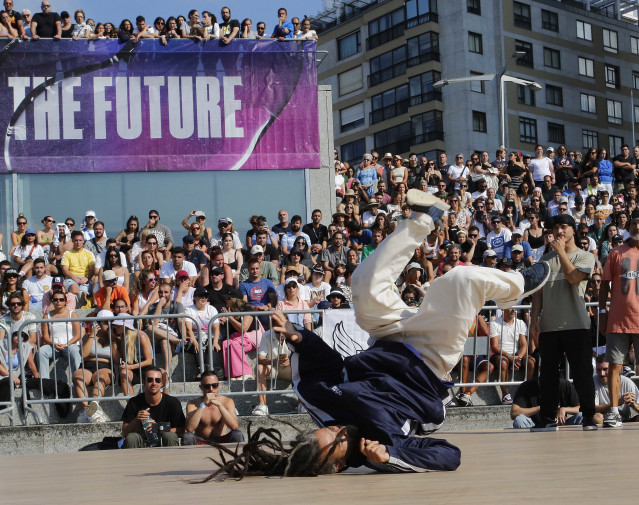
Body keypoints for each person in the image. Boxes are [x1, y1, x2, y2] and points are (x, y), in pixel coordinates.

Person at [219, 190, 550, 477]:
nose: (336, 430)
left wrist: (297, 336)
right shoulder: (384, 442)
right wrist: (393, 457)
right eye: (335, 441)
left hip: (386, 338)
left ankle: (424, 218)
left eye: (327, 430)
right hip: (428, 360)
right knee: (457, 281)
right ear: (336, 465)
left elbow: (327, 362)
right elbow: (451, 455)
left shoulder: (319, 398)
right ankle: (520, 284)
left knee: (363, 284)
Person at [530, 214, 598, 431]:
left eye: (564, 228)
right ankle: (548, 419)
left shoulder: (585, 257)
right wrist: (533, 320)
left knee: (582, 374)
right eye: (556, 228)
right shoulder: (544, 260)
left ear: (573, 230)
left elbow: (573, 278)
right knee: (547, 376)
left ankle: (589, 417)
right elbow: (538, 293)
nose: (559, 232)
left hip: (577, 324)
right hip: (549, 326)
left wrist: (559, 252)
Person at [599, 209, 639, 427]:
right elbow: (604, 284)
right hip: (618, 320)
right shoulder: (615, 253)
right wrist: (603, 312)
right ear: (628, 226)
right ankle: (613, 412)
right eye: (634, 223)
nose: (637, 227)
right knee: (615, 366)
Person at [121, 366, 185, 448]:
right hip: (142, 441)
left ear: (162, 383)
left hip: (163, 439)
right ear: (144, 381)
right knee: (131, 437)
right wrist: (137, 419)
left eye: (158, 380)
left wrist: (159, 428)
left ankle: (171, 460)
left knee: (170, 436)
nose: (154, 383)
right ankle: (133, 461)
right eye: (150, 380)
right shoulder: (134, 402)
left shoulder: (172, 403)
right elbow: (125, 433)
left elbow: (182, 430)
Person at [183, 371, 243, 444]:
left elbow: (234, 426)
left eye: (214, 385)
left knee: (237, 434)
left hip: (221, 440)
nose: (211, 389)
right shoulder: (193, 404)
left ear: (218, 385)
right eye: (207, 386)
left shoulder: (227, 402)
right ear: (201, 387)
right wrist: (203, 404)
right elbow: (190, 428)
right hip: (201, 440)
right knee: (187, 436)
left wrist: (220, 405)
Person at [38, 291, 82, 379]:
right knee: (41, 352)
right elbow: (45, 336)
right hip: (53, 346)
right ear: (52, 301)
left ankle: (77, 381)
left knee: (74, 351)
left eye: (61, 299)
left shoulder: (72, 314)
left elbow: (78, 335)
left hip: (70, 344)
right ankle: (44, 382)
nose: (58, 301)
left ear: (65, 301)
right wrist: (54, 344)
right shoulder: (47, 316)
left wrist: (66, 344)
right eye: (56, 299)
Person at [510, 377, 583, 429]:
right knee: (519, 420)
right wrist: (541, 408)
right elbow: (514, 413)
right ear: (540, 369)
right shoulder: (526, 386)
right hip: (535, 427)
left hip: (561, 425)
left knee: (582, 416)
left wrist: (564, 409)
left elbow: (581, 408)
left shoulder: (565, 385)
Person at [593, 355, 639, 426]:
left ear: (613, 369)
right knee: (596, 417)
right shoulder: (593, 381)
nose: (602, 374)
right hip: (603, 421)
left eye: (605, 369)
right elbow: (592, 409)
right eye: (598, 370)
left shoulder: (626, 382)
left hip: (624, 420)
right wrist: (617, 403)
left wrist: (633, 405)